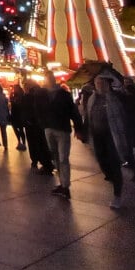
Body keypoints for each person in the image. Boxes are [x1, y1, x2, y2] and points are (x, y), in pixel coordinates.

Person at [85, 72, 127, 209]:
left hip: (112, 135)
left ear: (108, 84)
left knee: (115, 164)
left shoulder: (115, 98)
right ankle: (112, 177)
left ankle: (117, 194)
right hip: (97, 136)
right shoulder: (92, 98)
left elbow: (124, 116)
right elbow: (88, 115)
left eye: (102, 83)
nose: (100, 85)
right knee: (102, 161)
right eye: (97, 83)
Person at [40, 70, 84, 200]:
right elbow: (39, 109)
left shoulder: (64, 95)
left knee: (63, 157)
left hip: (62, 129)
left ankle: (65, 185)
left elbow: (73, 111)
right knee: (55, 156)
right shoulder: (43, 94)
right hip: (49, 127)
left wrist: (78, 127)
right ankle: (62, 183)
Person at [24, 82, 53, 174]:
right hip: (43, 123)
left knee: (35, 143)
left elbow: (27, 110)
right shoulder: (45, 94)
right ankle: (47, 162)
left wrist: (28, 120)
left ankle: (40, 161)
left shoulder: (29, 96)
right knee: (43, 143)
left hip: (32, 124)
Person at [9, 82, 27, 151]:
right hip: (17, 114)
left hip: (17, 114)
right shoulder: (19, 95)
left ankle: (20, 142)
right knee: (19, 129)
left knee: (18, 129)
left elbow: (12, 102)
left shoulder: (18, 96)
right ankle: (22, 142)